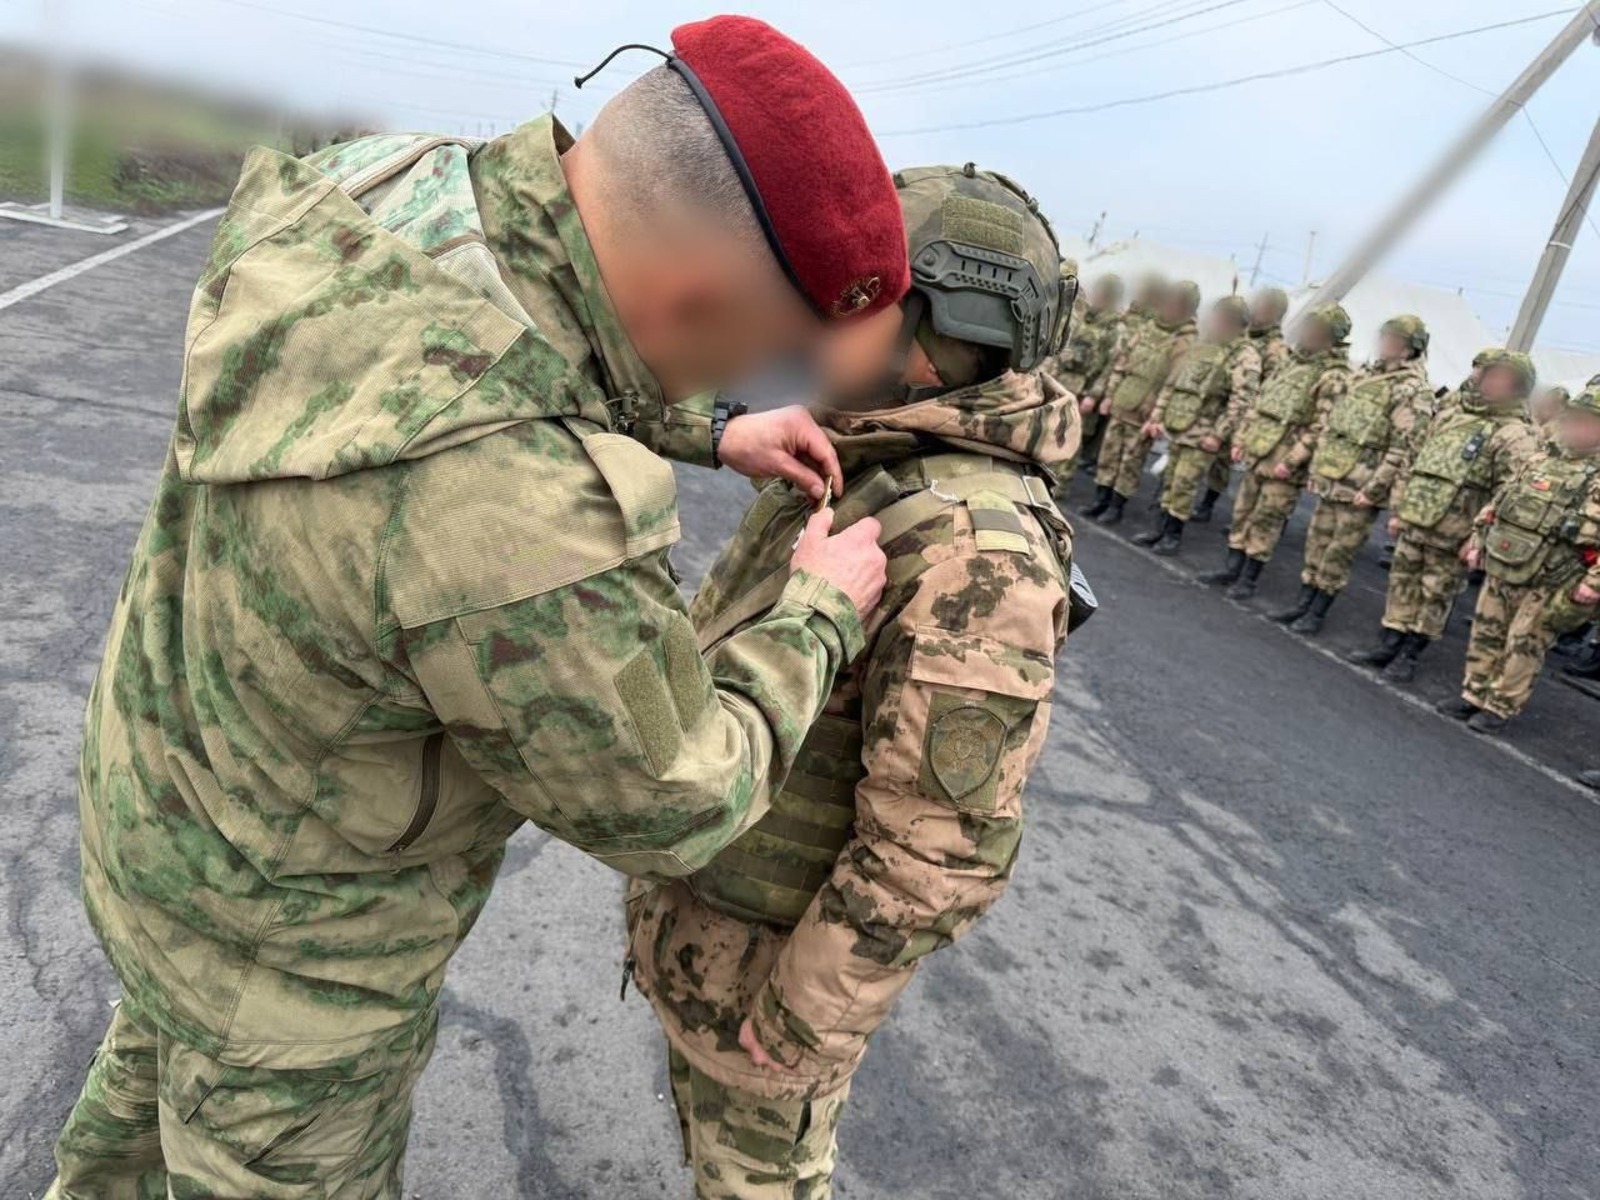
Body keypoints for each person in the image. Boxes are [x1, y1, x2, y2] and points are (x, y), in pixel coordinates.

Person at [44, 18, 910, 1197]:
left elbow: (495, 353)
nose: (725, 384)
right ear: (701, 299)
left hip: (164, 822)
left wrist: (704, 430)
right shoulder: (526, 521)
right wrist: (816, 611)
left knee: (136, 1131)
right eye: (741, 360)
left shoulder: (384, 186)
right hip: (293, 975)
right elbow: (673, 795)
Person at [626, 163, 1077, 1200]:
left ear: (937, 332)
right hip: (710, 942)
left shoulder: (976, 546)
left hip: (765, 990)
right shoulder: (868, 445)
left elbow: (940, 845)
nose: (814, 314)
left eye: (854, 296)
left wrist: (796, 1024)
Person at [1349, 351, 1540, 680]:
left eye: (1502, 379)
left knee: (1435, 593)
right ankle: (1389, 640)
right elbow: (1415, 459)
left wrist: (1478, 538)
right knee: (1402, 582)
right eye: (1490, 375)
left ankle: (1410, 653)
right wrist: (1400, 509)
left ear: (1518, 387)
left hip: (1455, 531)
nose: (1491, 383)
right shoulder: (1452, 415)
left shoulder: (1515, 435)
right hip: (1419, 517)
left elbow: (1508, 496)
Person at [1437, 386, 1600, 733]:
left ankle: (1501, 705)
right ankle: (1474, 692)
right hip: (1506, 560)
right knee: (1487, 629)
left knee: (1524, 643)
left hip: (1554, 575)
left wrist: (1593, 583)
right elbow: (1501, 501)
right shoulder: (1543, 458)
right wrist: (1478, 538)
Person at [1279, 315, 1434, 621]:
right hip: (1335, 476)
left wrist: (1374, 490)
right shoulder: (1363, 377)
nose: (1385, 344)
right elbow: (1334, 425)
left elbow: (1403, 449)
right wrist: (1320, 469)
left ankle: (1317, 612)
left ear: (1408, 350)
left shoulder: (1412, 390)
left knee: (1339, 551)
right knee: (1317, 542)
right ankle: (1303, 600)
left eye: (1394, 340)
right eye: (1385, 336)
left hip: (1361, 485)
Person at [1199, 303, 1352, 601]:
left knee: (1267, 519)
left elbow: (1323, 426)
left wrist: (1293, 459)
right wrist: (1242, 438)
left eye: (1316, 330)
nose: (1308, 334)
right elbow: (1259, 402)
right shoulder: (1291, 362)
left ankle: (1248, 578)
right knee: (1244, 511)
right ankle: (1232, 566)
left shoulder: (1334, 377)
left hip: (1284, 460)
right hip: (1260, 450)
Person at [1132, 294, 1261, 556]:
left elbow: (1242, 400)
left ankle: (1173, 536)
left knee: (1184, 485)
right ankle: (1160, 529)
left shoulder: (1245, 356)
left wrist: (1218, 434)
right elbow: (1173, 383)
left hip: (1203, 432)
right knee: (1169, 481)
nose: (1216, 324)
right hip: (1180, 425)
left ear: (1237, 324)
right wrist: (1157, 417)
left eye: (1223, 320)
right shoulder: (1204, 345)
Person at [1082, 279, 1200, 525]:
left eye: (1178, 305)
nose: (1170, 308)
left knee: (1130, 462)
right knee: (1108, 455)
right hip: (1123, 400)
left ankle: (1116, 506)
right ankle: (1100, 498)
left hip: (1145, 411)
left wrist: (1156, 416)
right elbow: (1122, 362)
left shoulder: (1185, 342)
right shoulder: (1148, 328)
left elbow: (1173, 383)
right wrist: (1109, 396)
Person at [1044, 271, 1124, 486]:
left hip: (1084, 391)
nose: (1099, 297)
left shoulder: (1115, 328)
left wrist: (1094, 395)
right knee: (1049, 430)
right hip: (1061, 381)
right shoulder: (1083, 317)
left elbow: (1110, 366)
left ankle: (1059, 484)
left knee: (1070, 438)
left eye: (1105, 294)